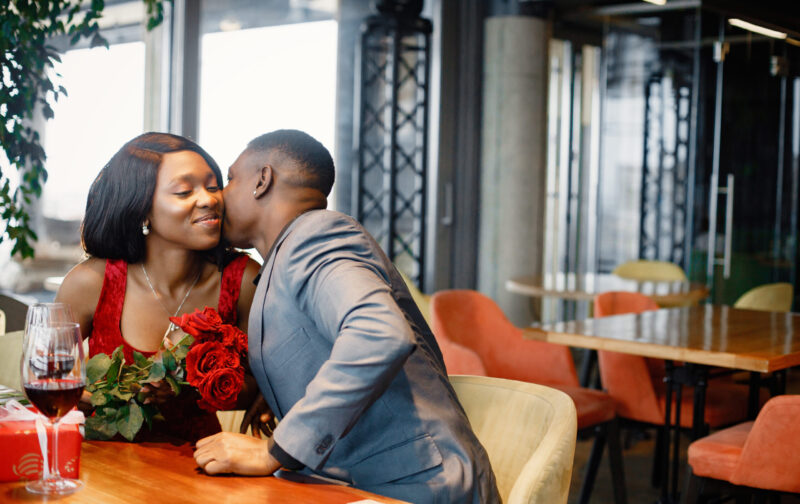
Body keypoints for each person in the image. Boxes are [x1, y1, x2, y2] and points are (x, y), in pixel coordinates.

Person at [193, 130, 499, 503]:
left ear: (262, 180)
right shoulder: (284, 258)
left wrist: (275, 451)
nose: (220, 196)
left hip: (420, 487)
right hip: (361, 486)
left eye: (231, 179)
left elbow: (379, 334)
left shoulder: (317, 235)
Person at [55, 132, 263, 442]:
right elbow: (48, 377)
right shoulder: (91, 283)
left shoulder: (244, 280)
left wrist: (193, 385)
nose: (209, 199)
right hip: (103, 463)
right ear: (141, 209)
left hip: (197, 465)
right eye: (183, 191)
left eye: (212, 186)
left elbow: (257, 390)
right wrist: (86, 397)